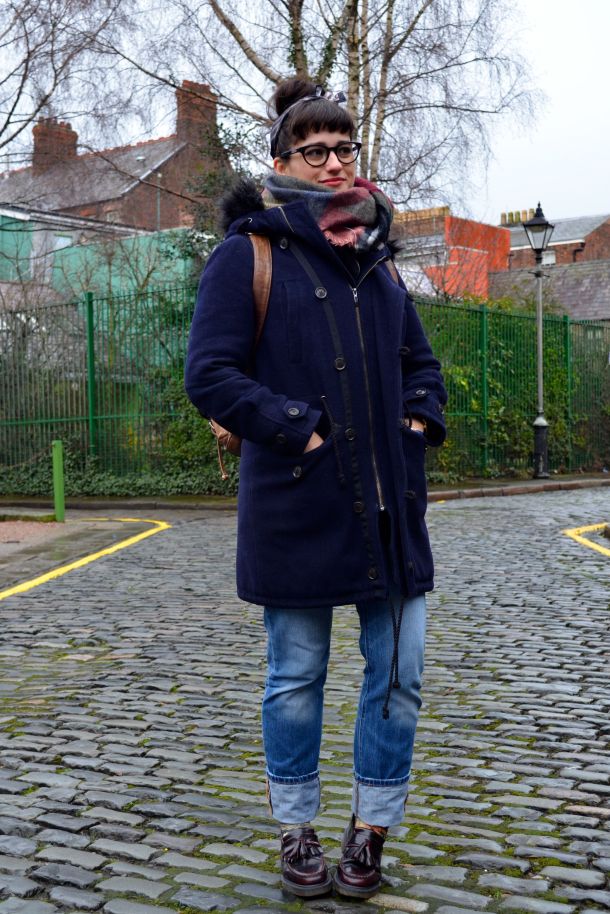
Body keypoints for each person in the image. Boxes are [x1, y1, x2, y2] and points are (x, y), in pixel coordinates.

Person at [185, 78, 447, 900]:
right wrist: (299, 425)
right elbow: (211, 375)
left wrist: (416, 425)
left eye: (346, 148)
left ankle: (370, 831)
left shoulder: (377, 261)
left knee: (399, 675)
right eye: (316, 150)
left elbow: (421, 366)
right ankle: (296, 828)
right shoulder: (249, 254)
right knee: (295, 676)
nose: (335, 162)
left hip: (389, 508)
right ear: (283, 161)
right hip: (297, 501)